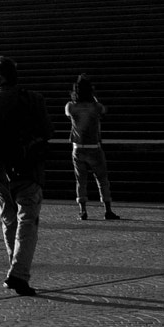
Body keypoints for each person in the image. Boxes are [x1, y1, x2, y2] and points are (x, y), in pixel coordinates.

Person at [0, 55, 50, 296]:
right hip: (28, 170)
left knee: (9, 221)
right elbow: (47, 130)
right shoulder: (34, 99)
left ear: (0, 78)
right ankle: (18, 273)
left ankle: (16, 271)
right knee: (27, 222)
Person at [63, 76, 121, 221]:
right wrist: (93, 97)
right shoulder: (96, 107)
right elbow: (103, 110)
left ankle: (83, 211)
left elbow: (67, 114)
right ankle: (107, 209)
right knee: (102, 179)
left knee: (80, 180)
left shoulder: (71, 106)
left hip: (78, 148)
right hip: (94, 147)